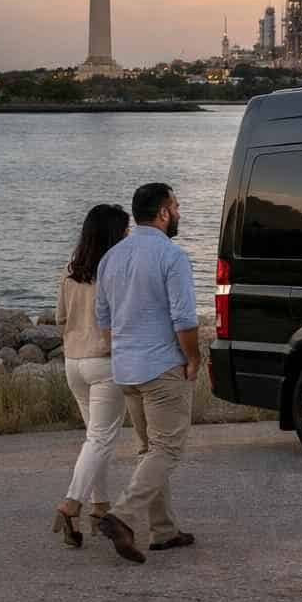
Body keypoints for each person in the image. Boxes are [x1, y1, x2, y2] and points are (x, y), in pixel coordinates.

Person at [94, 182, 201, 564]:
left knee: (148, 450)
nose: (178, 211)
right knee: (167, 449)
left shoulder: (111, 258)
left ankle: (164, 531)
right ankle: (122, 517)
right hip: (161, 368)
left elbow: (103, 320)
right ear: (162, 213)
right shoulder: (171, 257)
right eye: (176, 205)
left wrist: (122, 348)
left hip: (127, 370)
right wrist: (194, 358)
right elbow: (185, 319)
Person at [51, 203, 132, 547]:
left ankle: (100, 507)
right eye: (125, 231)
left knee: (94, 440)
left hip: (73, 363)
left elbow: (60, 318)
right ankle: (71, 504)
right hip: (104, 363)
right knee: (100, 440)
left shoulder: (71, 269)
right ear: (115, 235)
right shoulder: (114, 272)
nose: (129, 236)